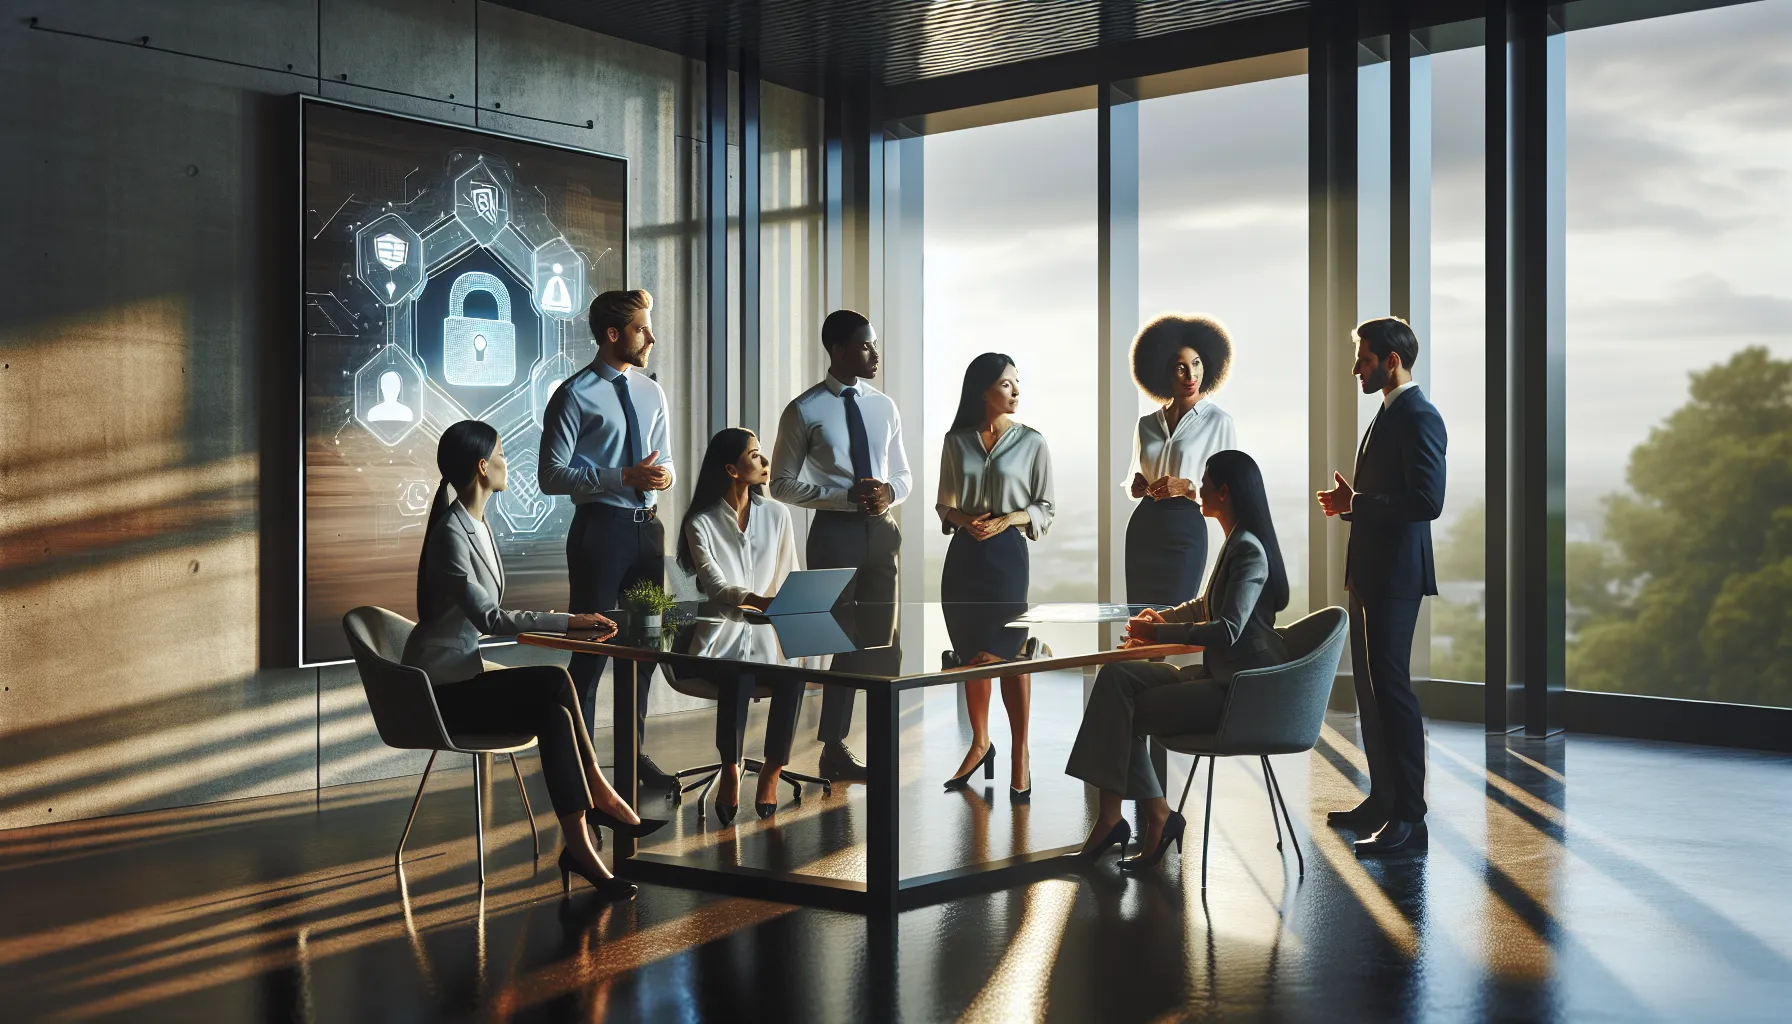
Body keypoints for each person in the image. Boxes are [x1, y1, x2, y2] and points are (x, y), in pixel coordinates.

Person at [405, 420, 667, 901]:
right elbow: (489, 618)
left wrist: (571, 623)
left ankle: (580, 845)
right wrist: (568, 622)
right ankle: (601, 797)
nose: (509, 462)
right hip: (439, 692)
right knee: (551, 682)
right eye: (502, 453)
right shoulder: (451, 534)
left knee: (551, 702)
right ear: (483, 467)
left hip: (463, 677)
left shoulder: (477, 524)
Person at [1066, 450, 1292, 869]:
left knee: (1124, 707)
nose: (1198, 488)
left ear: (1224, 492)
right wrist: (1159, 619)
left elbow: (1227, 629)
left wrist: (1159, 634)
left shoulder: (1248, 550)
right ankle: (1123, 817)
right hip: (1222, 678)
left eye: (1204, 482)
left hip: (1240, 692)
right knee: (1116, 677)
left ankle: (1149, 816)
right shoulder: (1237, 541)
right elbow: (1205, 605)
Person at [1317, 316, 1447, 859]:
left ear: (1391, 361)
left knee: (1392, 693)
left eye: (1364, 360)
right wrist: (1355, 506)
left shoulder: (1419, 416)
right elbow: (1389, 498)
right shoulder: (1388, 414)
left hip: (1395, 577)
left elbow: (1427, 502)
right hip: (1371, 570)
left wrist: (1360, 505)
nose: (1356, 369)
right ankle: (1383, 798)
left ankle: (1409, 820)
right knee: (1371, 693)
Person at [538, 288, 678, 790]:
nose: (651, 337)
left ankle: (631, 756)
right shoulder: (573, 395)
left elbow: (666, 464)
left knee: (645, 650)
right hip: (601, 532)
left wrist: (664, 479)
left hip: (649, 532)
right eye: (642, 328)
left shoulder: (652, 392)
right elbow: (550, 476)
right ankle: (583, 767)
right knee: (592, 651)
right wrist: (621, 478)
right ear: (613, 335)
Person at [768, 309, 912, 782]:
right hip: (834, 532)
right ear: (838, 350)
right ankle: (833, 745)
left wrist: (891, 492)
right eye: (866, 345)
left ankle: (878, 742)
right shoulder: (804, 410)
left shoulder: (884, 406)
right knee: (840, 640)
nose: (876, 353)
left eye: (875, 344)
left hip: (884, 531)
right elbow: (782, 485)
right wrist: (841, 497)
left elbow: (903, 474)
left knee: (883, 640)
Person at [936, 353, 1054, 802]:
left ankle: (1020, 753)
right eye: (1007, 384)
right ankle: (980, 743)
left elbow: (1045, 507)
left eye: (1018, 383)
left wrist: (1008, 521)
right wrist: (965, 521)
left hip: (1007, 556)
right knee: (971, 654)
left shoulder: (1033, 442)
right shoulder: (956, 441)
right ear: (983, 391)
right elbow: (944, 504)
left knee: (1012, 654)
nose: (1016, 391)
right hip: (965, 556)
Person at [677, 427, 807, 824]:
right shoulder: (700, 521)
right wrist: (756, 600)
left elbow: (790, 573)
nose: (765, 461)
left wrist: (789, 606)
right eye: (755, 455)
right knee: (739, 671)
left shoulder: (778, 514)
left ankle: (772, 770)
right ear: (732, 469)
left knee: (791, 673)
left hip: (769, 633)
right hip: (719, 635)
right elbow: (715, 586)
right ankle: (731, 768)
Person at [1125, 314, 1238, 607]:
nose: (1191, 375)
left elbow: (1230, 489)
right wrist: (1138, 485)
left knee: (1173, 616)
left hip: (1186, 528)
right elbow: (1132, 483)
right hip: (1144, 526)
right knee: (1139, 617)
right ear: (1163, 370)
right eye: (1180, 367)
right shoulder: (1146, 424)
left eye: (1196, 363)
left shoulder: (1218, 422)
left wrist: (1187, 486)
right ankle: (1139, 657)